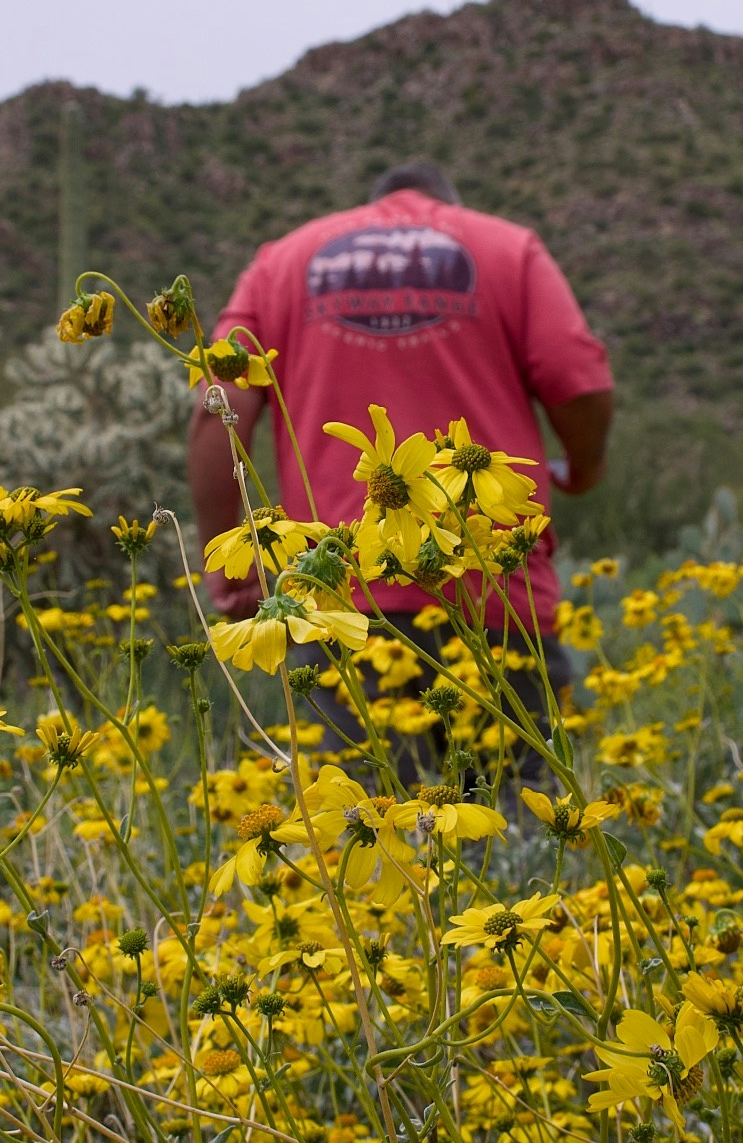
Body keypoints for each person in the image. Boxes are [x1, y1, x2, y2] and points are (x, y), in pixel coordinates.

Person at [189, 159, 614, 754]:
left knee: (364, 817)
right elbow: (581, 382)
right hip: (492, 584)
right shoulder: (507, 249)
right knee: (519, 826)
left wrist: (230, 574)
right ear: (449, 202)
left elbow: (219, 405)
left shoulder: (283, 260)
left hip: (339, 594)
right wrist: (585, 468)